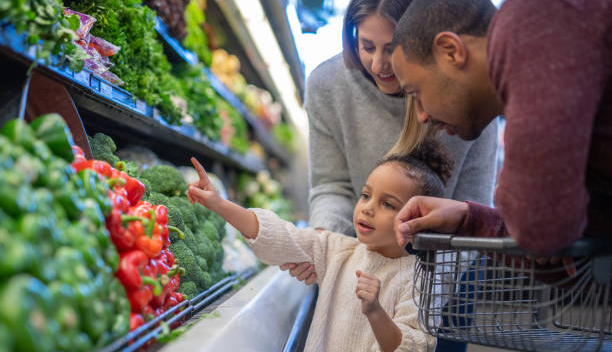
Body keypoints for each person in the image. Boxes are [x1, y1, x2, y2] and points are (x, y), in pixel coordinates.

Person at [286, 0, 498, 285]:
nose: (378, 64)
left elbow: (473, 206)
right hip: (360, 266)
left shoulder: (467, 94)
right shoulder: (327, 85)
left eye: (391, 48)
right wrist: (323, 243)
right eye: (367, 46)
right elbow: (331, 185)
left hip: (446, 270)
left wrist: (423, 291)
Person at [390, 0, 612, 255]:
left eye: (416, 93)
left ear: (450, 51)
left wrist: (523, 213)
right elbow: (570, 237)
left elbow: (542, 231)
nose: (421, 116)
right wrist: (467, 219)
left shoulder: (538, 17)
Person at [186, 139, 450, 352]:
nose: (367, 209)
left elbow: (414, 346)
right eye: (366, 195)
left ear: (416, 220)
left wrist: (375, 311)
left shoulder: (420, 280)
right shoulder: (338, 250)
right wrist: (219, 204)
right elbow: (279, 235)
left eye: (387, 204)